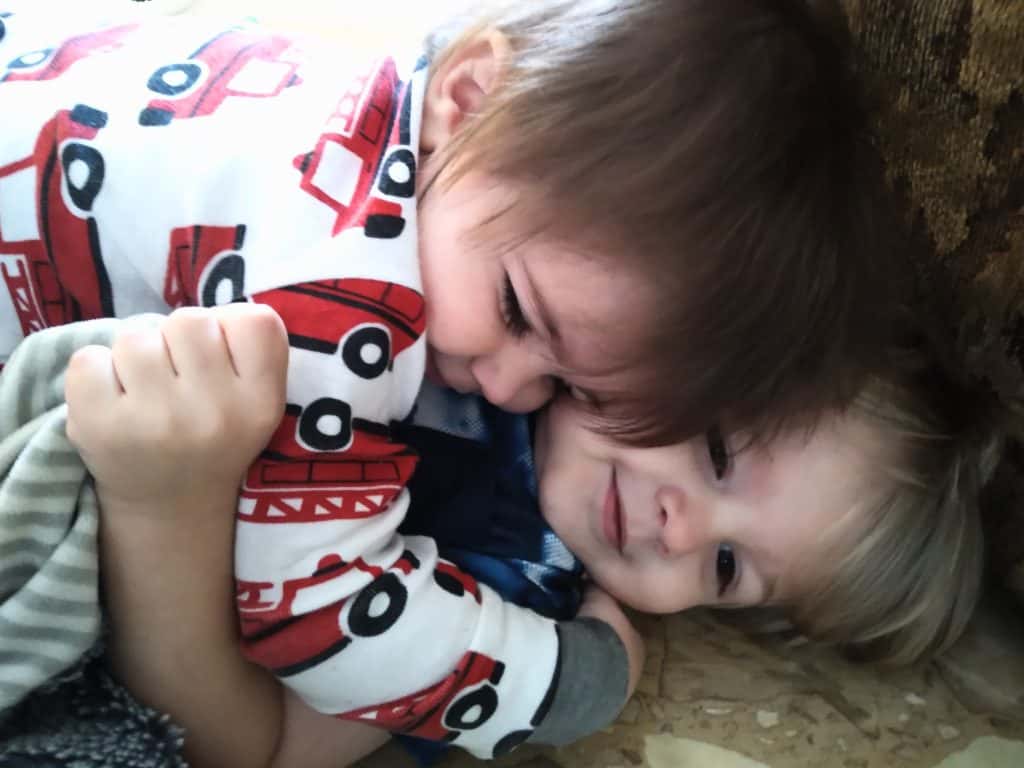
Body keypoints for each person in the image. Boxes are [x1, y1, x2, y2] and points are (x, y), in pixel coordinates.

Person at [0, 0, 896, 762]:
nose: (508, 387)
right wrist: (566, 681)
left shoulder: (450, 170)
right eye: (713, 445)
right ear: (465, 99)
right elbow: (321, 618)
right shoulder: (357, 288)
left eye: (729, 565)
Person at [63, 303, 996, 768]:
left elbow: (253, 748)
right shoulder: (481, 298)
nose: (685, 525)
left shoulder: (508, 612)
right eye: (715, 448)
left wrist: (162, 508)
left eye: (726, 566)